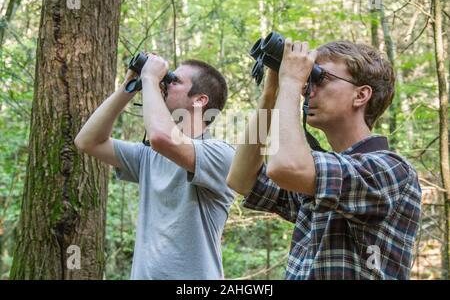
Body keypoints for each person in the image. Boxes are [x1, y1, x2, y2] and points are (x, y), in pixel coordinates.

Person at [227, 38, 422, 279]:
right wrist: (271, 94)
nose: (307, 88)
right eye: (308, 80)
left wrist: (291, 82)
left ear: (361, 95)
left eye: (320, 78)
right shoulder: (320, 174)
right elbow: (241, 179)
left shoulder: (390, 170)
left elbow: (285, 166)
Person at [74, 53, 235, 279]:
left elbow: (162, 138)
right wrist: (128, 87)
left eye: (175, 81)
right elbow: (87, 141)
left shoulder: (221, 154)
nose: (166, 83)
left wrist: (150, 78)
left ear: (200, 100)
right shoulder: (149, 155)